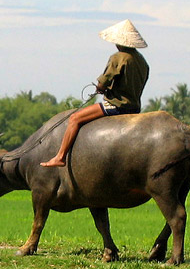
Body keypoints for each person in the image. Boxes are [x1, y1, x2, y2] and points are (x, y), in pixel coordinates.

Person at [40, 19, 150, 167]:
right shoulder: (142, 61)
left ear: (118, 41)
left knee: (74, 119)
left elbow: (103, 82)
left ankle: (60, 156)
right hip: (135, 108)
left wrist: (100, 88)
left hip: (116, 105)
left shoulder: (118, 57)